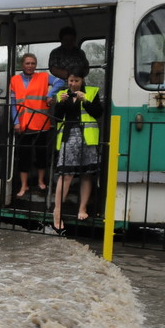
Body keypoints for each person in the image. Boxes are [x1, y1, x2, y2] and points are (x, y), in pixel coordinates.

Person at [52, 67, 103, 232]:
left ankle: (83, 208)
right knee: (65, 175)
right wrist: (61, 102)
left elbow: (98, 113)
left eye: (76, 81)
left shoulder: (92, 92)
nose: (73, 84)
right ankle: (57, 212)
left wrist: (85, 100)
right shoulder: (62, 94)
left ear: (82, 81)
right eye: (71, 81)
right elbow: (58, 116)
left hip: (88, 138)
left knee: (87, 174)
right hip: (69, 136)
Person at [10, 53, 64, 197]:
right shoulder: (14, 80)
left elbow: (60, 82)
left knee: (41, 154)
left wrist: (50, 93)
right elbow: (13, 104)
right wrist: (15, 122)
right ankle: (24, 186)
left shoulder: (44, 77)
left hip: (41, 123)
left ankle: (41, 181)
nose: (30, 66)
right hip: (23, 125)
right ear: (22, 65)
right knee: (24, 156)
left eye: (33, 63)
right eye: (27, 63)